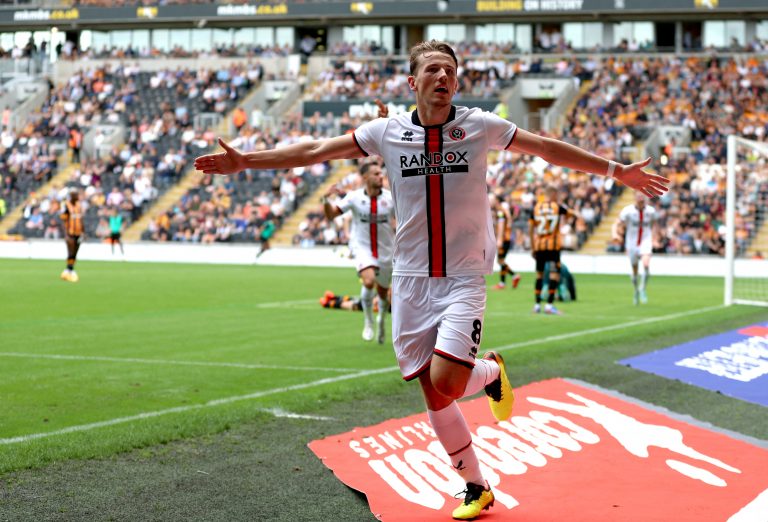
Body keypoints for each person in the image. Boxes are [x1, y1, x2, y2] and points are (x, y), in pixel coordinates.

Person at [194, 40, 669, 520]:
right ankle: (477, 486)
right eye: (434, 70)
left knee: (446, 379)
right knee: (431, 389)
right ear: (412, 82)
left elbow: (545, 148)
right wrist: (245, 161)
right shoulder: (386, 132)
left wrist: (616, 171)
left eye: (451, 71)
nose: (444, 77)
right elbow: (316, 150)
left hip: (464, 276)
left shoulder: (479, 125)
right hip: (410, 280)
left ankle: (489, 371)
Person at [322, 162, 395, 344]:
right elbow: (331, 215)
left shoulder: (391, 198)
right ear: (365, 178)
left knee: (383, 292)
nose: (380, 176)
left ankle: (381, 321)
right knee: (369, 280)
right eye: (376, 173)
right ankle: (368, 320)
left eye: (381, 173)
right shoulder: (353, 197)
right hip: (362, 247)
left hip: (386, 250)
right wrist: (325, 200)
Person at [529, 185, 579, 315]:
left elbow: (531, 229)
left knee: (539, 275)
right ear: (552, 195)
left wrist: (533, 247)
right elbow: (571, 214)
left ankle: (536, 305)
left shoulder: (536, 208)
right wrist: (571, 216)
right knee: (554, 275)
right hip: (553, 246)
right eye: (556, 195)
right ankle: (549, 306)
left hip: (539, 246)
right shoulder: (557, 207)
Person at [612, 192, 659, 305]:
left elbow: (654, 225)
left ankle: (642, 288)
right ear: (635, 198)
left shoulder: (651, 211)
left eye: (642, 197)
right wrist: (615, 234)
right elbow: (616, 223)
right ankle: (636, 290)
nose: (641, 199)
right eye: (638, 197)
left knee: (646, 264)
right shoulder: (628, 211)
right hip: (632, 243)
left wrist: (655, 238)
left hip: (645, 241)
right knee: (635, 271)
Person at [489, 192, 520, 290]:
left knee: (500, 261)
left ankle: (514, 276)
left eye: (493, 199)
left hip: (504, 238)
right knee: (501, 260)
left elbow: (502, 225)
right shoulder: (502, 210)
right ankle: (502, 283)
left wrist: (499, 239)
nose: (491, 201)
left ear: (497, 201)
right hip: (506, 238)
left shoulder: (500, 211)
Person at [61, 188, 84, 282]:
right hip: (70, 233)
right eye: (76, 194)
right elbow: (64, 220)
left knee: (75, 252)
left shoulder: (79, 205)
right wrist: (65, 233)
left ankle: (68, 270)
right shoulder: (66, 205)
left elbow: (81, 219)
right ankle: (70, 270)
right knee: (70, 252)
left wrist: (83, 232)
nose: (78, 196)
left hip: (78, 233)